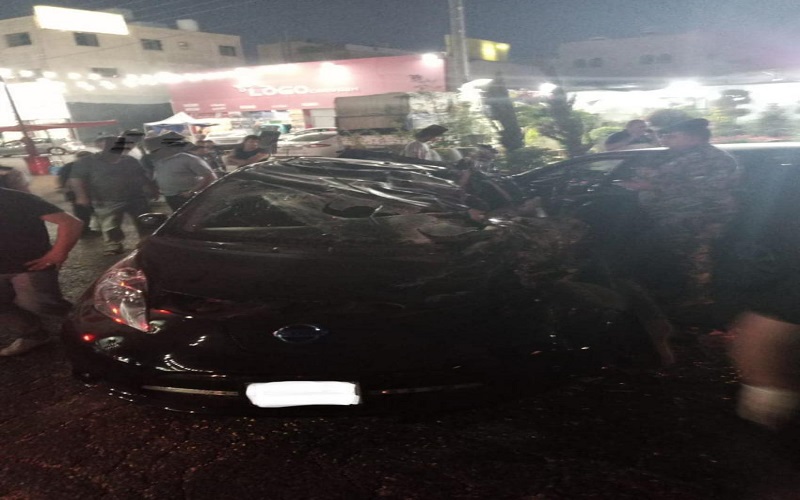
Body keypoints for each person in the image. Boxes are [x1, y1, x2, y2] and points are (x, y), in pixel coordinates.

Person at [617, 118, 739, 364]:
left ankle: (701, 309)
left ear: (693, 137)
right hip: (684, 217)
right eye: (665, 136)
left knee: (696, 258)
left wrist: (642, 183)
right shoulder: (694, 156)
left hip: (695, 218)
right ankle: (692, 303)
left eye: (672, 136)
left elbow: (659, 180)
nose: (666, 140)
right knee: (687, 257)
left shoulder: (702, 158)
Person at [0, 188, 83, 356]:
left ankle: (93, 328)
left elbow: (71, 223)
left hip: (28, 267)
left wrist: (58, 253)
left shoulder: (16, 198)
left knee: (42, 304)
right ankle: (33, 334)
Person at [69, 135, 156, 255]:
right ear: (104, 147)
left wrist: (151, 188)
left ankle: (146, 241)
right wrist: (81, 196)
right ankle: (113, 244)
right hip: (105, 199)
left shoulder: (129, 160)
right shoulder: (87, 161)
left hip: (136, 197)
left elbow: (141, 175)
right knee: (110, 223)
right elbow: (76, 179)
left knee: (143, 220)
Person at [145, 132, 217, 211]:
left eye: (155, 150)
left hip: (188, 196)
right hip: (170, 196)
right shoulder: (158, 161)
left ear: (166, 148)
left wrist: (192, 191)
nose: (152, 152)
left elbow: (210, 177)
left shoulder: (189, 159)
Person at [57, 150, 97, 237]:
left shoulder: (69, 166)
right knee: (83, 213)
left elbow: (61, 180)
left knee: (84, 212)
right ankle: (83, 232)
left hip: (76, 194)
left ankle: (84, 230)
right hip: (77, 194)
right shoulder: (75, 167)